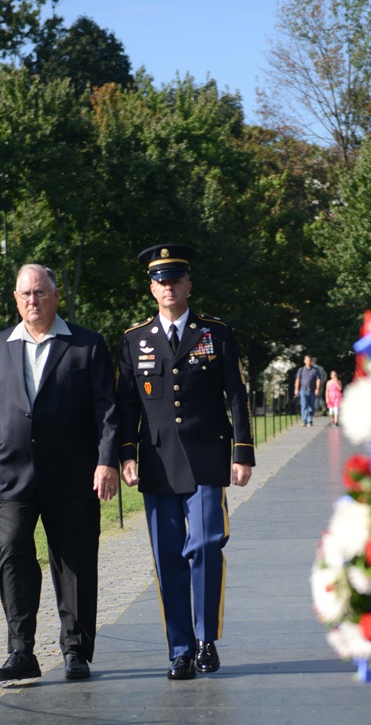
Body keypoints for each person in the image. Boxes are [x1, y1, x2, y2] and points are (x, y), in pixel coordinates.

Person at [0, 264, 119, 682]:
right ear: (16, 300)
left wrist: (106, 460)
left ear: (55, 295)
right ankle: (21, 652)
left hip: (73, 476)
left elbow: (106, 410)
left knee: (75, 564)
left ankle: (75, 651)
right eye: (25, 294)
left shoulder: (86, 344)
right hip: (10, 476)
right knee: (13, 557)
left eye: (40, 292)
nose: (32, 300)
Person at [116, 243, 255, 680]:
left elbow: (236, 394)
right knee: (167, 557)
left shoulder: (215, 332)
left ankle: (204, 639)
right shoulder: (133, 339)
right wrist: (126, 454)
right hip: (157, 462)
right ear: (151, 289)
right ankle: (179, 649)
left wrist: (243, 451)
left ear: (189, 284)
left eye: (176, 278)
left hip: (208, 457)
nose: (168, 286)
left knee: (207, 545)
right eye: (160, 280)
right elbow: (126, 406)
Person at [294, 355, 321, 426]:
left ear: (311, 361)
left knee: (311, 406)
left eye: (309, 360)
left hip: (312, 391)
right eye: (307, 360)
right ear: (304, 361)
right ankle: (304, 421)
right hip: (303, 390)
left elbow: (318, 380)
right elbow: (298, 379)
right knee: (304, 405)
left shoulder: (315, 370)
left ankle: (310, 420)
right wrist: (296, 389)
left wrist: (317, 388)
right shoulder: (301, 370)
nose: (308, 361)